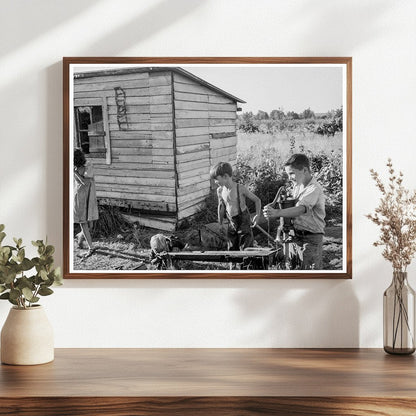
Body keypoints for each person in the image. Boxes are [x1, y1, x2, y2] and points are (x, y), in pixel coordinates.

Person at [263, 153, 326, 269]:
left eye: (292, 173)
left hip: (311, 239)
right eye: (288, 174)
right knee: (294, 268)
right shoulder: (297, 186)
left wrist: (277, 213)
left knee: (310, 273)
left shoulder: (314, 189)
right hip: (295, 236)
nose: (289, 178)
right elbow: (290, 205)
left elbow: (301, 209)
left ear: (305, 170)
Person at [210, 162, 261, 251]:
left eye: (216, 179)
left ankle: (246, 264)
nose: (215, 182)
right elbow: (221, 207)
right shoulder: (220, 190)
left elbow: (257, 200)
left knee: (246, 247)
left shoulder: (240, 188)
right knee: (232, 246)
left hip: (243, 222)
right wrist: (220, 223)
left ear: (225, 176)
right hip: (232, 222)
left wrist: (257, 215)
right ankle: (233, 264)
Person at [73, 148, 99, 258]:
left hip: (87, 197)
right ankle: (90, 247)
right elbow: (82, 182)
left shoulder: (87, 166)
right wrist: (75, 172)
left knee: (90, 223)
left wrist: (75, 173)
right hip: (79, 197)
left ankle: (80, 237)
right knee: (83, 222)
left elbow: (86, 181)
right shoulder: (75, 168)